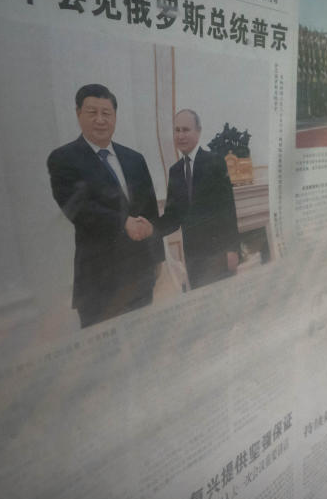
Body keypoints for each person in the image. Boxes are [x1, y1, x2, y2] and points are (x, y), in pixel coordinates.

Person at [47, 84, 165, 328]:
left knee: (145, 342)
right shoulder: (63, 158)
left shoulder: (134, 158)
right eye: (92, 112)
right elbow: (76, 207)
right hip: (98, 280)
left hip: (140, 273)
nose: (100, 120)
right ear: (78, 113)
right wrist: (123, 222)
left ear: (115, 117)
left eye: (107, 113)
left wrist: (157, 257)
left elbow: (150, 211)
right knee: (106, 356)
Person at [156, 109, 241, 290]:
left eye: (186, 130)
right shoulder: (175, 171)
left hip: (219, 253)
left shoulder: (215, 161)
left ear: (199, 131)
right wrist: (150, 229)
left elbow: (228, 209)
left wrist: (233, 250)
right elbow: (173, 217)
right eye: (177, 130)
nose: (180, 135)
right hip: (193, 258)